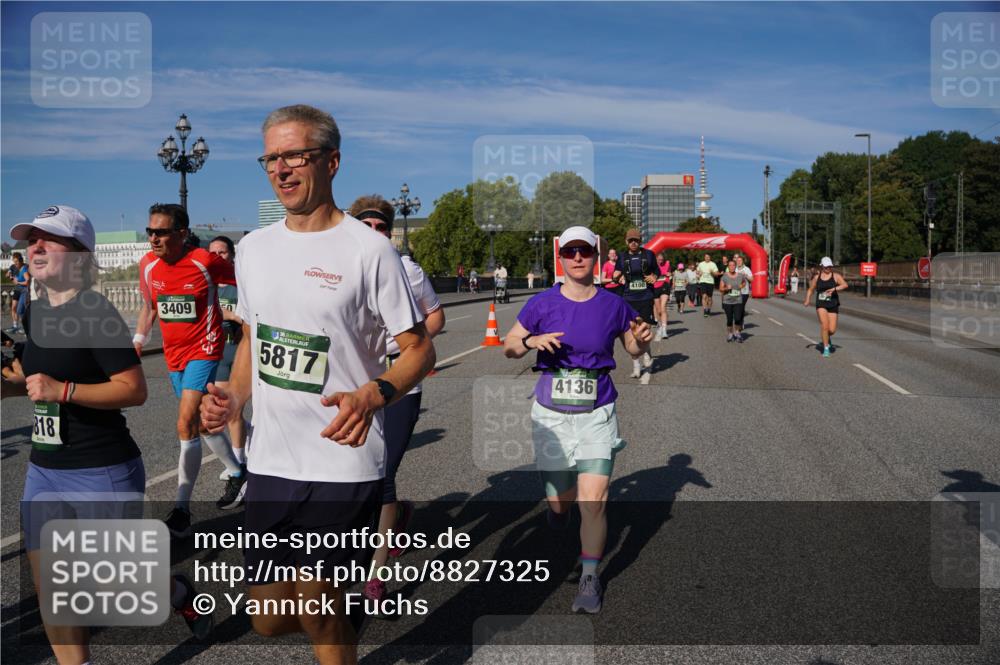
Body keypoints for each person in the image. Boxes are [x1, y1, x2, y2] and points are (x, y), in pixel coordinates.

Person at [199, 104, 435, 663]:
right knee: (267, 618)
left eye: (295, 155)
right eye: (271, 158)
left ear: (331, 161)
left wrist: (373, 394)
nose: (281, 168)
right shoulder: (254, 249)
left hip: (341, 461)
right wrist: (234, 396)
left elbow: (420, 350)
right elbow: (256, 339)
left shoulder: (369, 249)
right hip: (272, 461)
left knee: (320, 606)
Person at [4, 205, 213, 664]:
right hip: (45, 470)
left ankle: (179, 593)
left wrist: (66, 390)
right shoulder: (37, 314)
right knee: (53, 590)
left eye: (48, 239)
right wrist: (9, 386)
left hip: (100, 469)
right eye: (30, 239)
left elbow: (133, 389)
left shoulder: (95, 312)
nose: (34, 246)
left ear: (79, 254)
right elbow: (34, 380)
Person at [502, 225, 652, 614]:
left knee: (595, 500)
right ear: (562, 258)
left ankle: (589, 577)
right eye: (570, 251)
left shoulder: (613, 304)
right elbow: (510, 346)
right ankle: (558, 511)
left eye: (585, 250)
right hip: (551, 415)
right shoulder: (541, 303)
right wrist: (531, 341)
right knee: (558, 501)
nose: (578, 257)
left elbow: (633, 347)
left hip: (597, 413)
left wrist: (644, 340)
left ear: (596, 255)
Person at [349, 194, 446, 606]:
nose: (374, 234)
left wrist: (411, 351)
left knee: (383, 476)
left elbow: (435, 316)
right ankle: (394, 517)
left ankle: (375, 575)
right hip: (353, 384)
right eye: (366, 227)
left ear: (390, 232)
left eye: (381, 227)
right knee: (356, 476)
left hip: (401, 383)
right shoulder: (341, 268)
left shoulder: (407, 268)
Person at [134, 203, 246, 534]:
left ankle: (182, 509)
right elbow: (149, 307)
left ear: (182, 234)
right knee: (200, 424)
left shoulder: (204, 261)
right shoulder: (147, 266)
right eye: (150, 231)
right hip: (174, 355)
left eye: (162, 232)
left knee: (185, 422)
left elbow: (247, 284)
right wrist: (138, 340)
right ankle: (239, 473)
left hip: (206, 348)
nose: (154, 238)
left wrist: (243, 319)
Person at [208, 235, 251, 500]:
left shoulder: (241, 283)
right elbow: (205, 312)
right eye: (212, 253)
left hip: (242, 352)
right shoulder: (207, 284)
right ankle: (244, 448)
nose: (217, 257)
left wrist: (237, 318)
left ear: (231, 256)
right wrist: (231, 315)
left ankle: (238, 462)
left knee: (234, 411)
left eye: (222, 253)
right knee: (227, 412)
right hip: (219, 351)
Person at [613, 229, 657, 383]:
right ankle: (636, 367)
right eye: (631, 240)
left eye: (636, 240)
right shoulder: (623, 256)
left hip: (645, 297)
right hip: (629, 299)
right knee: (632, 333)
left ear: (640, 241)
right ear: (626, 241)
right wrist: (616, 277)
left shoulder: (649, 255)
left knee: (645, 329)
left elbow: (656, 272)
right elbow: (615, 273)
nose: (633, 243)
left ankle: (646, 350)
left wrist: (654, 277)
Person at [804, 256, 848, 357]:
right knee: (825, 325)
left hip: (833, 303)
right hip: (821, 303)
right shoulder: (817, 277)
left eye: (829, 266)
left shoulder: (836, 276)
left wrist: (834, 289)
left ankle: (826, 337)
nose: (828, 268)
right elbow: (811, 289)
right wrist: (807, 300)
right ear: (822, 266)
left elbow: (845, 285)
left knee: (832, 330)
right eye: (826, 267)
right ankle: (826, 348)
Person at [720, 259, 749, 342]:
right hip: (727, 301)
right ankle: (730, 334)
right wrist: (726, 288)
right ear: (728, 267)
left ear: (735, 266)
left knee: (738, 318)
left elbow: (744, 282)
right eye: (730, 265)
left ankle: (737, 333)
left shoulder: (740, 275)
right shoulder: (724, 276)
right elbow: (721, 289)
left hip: (738, 300)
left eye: (733, 265)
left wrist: (742, 286)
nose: (732, 267)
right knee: (729, 319)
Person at [7, 252, 28, 333]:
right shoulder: (13, 266)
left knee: (21, 310)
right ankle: (15, 325)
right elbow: (8, 275)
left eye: (16, 261)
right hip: (17, 289)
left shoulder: (25, 267)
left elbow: (27, 280)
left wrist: (18, 281)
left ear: (20, 260)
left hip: (23, 290)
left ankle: (25, 327)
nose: (15, 263)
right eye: (14, 261)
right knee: (14, 307)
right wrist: (11, 277)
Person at [652, 253, 671, 340]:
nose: (660, 261)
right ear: (656, 259)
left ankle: (664, 330)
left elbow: (670, 273)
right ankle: (660, 324)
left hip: (664, 286)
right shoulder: (652, 265)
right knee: (658, 310)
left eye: (661, 260)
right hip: (655, 287)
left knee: (663, 307)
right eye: (659, 260)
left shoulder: (667, 263)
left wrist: (669, 274)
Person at [695, 253, 720, 317]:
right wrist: (698, 273)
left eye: (708, 257)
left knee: (709, 298)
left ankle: (709, 309)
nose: (707, 258)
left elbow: (716, 274)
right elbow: (697, 271)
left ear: (710, 258)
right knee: (704, 296)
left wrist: (712, 272)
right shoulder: (701, 264)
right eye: (706, 257)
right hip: (703, 281)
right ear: (704, 257)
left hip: (710, 282)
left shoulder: (713, 264)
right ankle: (705, 310)